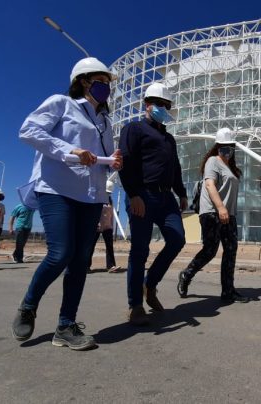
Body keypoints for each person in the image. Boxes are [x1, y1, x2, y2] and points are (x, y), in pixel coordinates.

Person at [11, 57, 122, 351]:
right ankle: (28, 305)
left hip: (91, 195)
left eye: (108, 83)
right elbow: (29, 131)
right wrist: (71, 150)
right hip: (57, 188)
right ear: (84, 81)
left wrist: (115, 163)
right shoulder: (61, 103)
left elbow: (105, 159)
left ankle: (65, 326)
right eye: (102, 81)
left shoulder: (105, 122)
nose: (107, 88)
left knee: (79, 262)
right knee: (60, 253)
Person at [119, 82, 187, 325]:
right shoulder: (134, 129)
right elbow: (125, 161)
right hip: (142, 195)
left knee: (177, 239)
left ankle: (150, 284)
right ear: (147, 105)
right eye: (159, 104)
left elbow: (175, 168)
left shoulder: (169, 138)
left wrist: (182, 193)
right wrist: (133, 194)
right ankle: (135, 306)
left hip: (166, 197)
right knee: (140, 250)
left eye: (167, 105)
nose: (163, 108)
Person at [177, 128, 250, 303]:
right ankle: (186, 274)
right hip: (212, 212)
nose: (227, 150)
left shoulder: (229, 167)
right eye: (223, 146)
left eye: (230, 146)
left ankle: (228, 291)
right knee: (210, 250)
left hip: (229, 215)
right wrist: (220, 208)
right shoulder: (212, 161)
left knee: (230, 250)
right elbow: (210, 185)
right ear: (217, 147)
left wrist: (228, 211)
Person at [90, 178, 122, 273]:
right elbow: (94, 213)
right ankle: (86, 266)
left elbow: (111, 215)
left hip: (108, 227)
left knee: (109, 247)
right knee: (90, 246)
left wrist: (111, 227)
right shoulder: (96, 200)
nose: (108, 193)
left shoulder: (110, 201)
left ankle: (111, 266)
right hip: (96, 226)